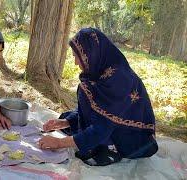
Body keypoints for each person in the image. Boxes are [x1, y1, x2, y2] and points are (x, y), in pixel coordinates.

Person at [38, 28, 158, 166]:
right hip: (113, 125)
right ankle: (94, 141)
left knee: (86, 93)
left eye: (77, 57)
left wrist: (59, 143)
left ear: (91, 54)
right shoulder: (103, 69)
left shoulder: (120, 79)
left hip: (134, 138)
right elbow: (98, 108)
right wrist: (65, 122)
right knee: (68, 116)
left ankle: (110, 149)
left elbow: (103, 126)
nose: (76, 62)